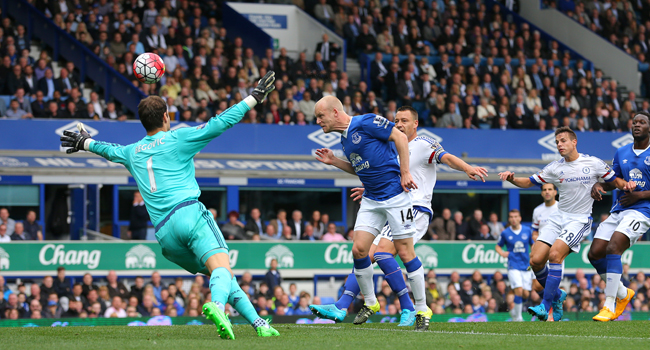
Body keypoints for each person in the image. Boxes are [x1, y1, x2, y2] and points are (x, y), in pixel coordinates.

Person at [59, 71, 279, 338]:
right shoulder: (177, 138)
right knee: (221, 267)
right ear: (166, 117)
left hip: (165, 237)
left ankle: (259, 325)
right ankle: (218, 306)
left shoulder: (132, 152)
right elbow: (220, 123)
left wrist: (85, 142)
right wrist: (255, 97)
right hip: (188, 215)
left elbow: (109, 150)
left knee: (222, 275)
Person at [311, 105, 486, 330]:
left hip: (416, 208)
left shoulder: (423, 143)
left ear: (416, 124)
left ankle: (410, 307)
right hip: (388, 202)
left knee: (383, 253)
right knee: (365, 252)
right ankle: (344, 304)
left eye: (404, 120)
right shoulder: (393, 146)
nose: (399, 124)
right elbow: (376, 169)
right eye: (396, 120)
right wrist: (369, 185)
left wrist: (466, 168)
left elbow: (447, 157)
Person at [498, 126, 634, 322]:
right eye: (557, 142)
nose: (559, 145)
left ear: (574, 142)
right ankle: (557, 296)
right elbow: (528, 182)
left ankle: (545, 306)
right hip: (558, 217)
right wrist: (512, 179)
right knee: (535, 261)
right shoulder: (555, 167)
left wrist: (626, 185)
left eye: (562, 141)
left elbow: (615, 181)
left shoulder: (593, 163)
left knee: (554, 254)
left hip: (579, 220)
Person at [589, 112, 650, 322]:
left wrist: (640, 195)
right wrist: (600, 185)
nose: (637, 125)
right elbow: (614, 181)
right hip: (620, 208)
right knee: (595, 253)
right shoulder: (621, 152)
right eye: (634, 122)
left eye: (642, 122)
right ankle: (622, 293)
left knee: (613, 248)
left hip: (642, 210)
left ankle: (609, 305)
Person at [495, 209, 533, 322]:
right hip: (513, 265)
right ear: (509, 219)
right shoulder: (505, 233)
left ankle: (513, 312)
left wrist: (533, 253)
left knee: (526, 294)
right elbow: (498, 246)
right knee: (519, 290)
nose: (513, 219)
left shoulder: (527, 230)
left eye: (516, 216)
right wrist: (502, 253)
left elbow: (533, 244)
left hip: (526, 266)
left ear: (520, 218)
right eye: (511, 217)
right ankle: (519, 318)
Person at [531, 183, 559, 293]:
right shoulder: (537, 210)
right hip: (540, 250)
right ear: (542, 193)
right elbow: (534, 232)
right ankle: (555, 300)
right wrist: (536, 242)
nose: (547, 191)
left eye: (550, 189)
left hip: (555, 250)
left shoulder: (561, 209)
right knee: (537, 286)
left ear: (555, 192)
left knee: (551, 282)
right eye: (544, 189)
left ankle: (550, 307)